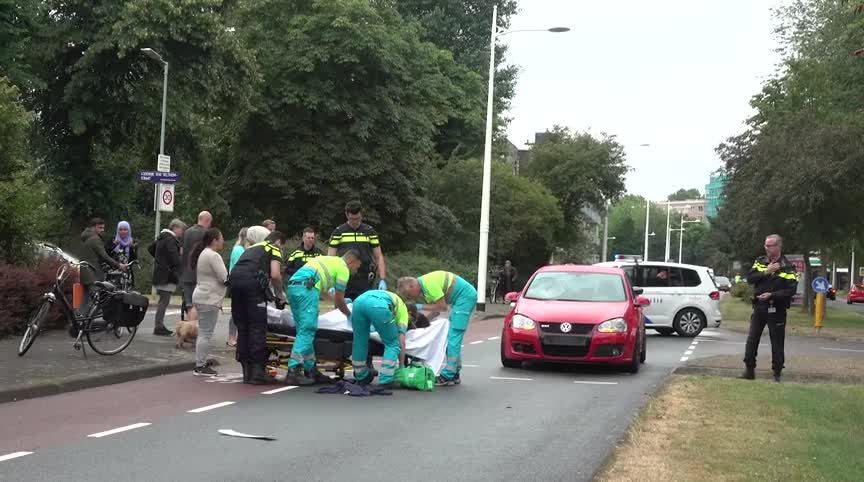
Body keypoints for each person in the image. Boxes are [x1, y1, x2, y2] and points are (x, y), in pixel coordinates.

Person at [284, 250, 362, 385]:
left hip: (293, 287)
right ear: (352, 261)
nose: (356, 270)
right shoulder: (343, 269)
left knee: (303, 331)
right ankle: (293, 370)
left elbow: (325, 293)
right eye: (357, 266)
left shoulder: (329, 260)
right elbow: (339, 300)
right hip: (307, 289)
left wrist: (341, 301)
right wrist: (349, 314)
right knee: (308, 329)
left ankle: (311, 369)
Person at [397, 271, 477, 386]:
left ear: (412, 286)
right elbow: (436, 311)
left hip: (465, 298)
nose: (412, 298)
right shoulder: (425, 286)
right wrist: (424, 324)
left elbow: (442, 307)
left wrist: (419, 307)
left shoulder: (429, 285)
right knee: (452, 336)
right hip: (462, 299)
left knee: (454, 336)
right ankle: (454, 373)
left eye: (409, 295)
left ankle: (448, 374)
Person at [229, 230, 286, 384]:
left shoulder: (251, 248)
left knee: (243, 326)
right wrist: (280, 295)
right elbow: (275, 274)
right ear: (279, 242)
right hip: (252, 285)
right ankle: (257, 373)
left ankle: (246, 371)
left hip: (235, 282)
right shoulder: (273, 248)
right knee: (257, 326)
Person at [741, 234, 798, 382]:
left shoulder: (788, 267)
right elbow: (750, 278)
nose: (766, 248)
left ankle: (777, 373)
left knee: (777, 342)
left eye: (770, 245)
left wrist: (772, 295)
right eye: (765, 245)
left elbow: (790, 290)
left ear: (778, 246)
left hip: (777, 309)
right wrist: (766, 271)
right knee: (752, 339)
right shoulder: (760, 262)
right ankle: (749, 370)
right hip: (759, 308)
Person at [328, 200, 387, 301]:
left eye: (358, 218)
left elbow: (378, 256)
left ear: (361, 215)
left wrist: (382, 279)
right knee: (342, 311)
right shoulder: (338, 232)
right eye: (352, 219)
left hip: (364, 278)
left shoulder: (370, 231)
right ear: (346, 215)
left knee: (364, 310)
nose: (355, 222)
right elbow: (330, 258)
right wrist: (331, 282)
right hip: (344, 277)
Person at [350, 290, 410, 388]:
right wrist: (402, 366)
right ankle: (386, 379)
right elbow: (401, 341)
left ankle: (361, 375)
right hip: (378, 306)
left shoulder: (389, 296)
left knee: (360, 340)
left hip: (358, 302)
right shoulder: (403, 311)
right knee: (392, 343)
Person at [191, 228, 228, 377]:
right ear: (214, 240)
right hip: (209, 298)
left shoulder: (203, 253)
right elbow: (224, 277)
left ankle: (200, 363)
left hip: (201, 295)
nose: (223, 241)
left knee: (204, 332)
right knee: (205, 333)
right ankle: (200, 365)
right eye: (221, 238)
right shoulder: (213, 256)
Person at [79, 218, 126, 317]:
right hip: (92, 274)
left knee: (84, 300)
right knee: (97, 300)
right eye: (100, 228)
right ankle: (86, 324)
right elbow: (104, 256)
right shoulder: (95, 239)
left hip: (84, 273)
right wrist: (119, 265)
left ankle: (79, 322)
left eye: (103, 228)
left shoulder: (87, 237)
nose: (102, 230)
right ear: (93, 228)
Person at [150, 219, 186, 336]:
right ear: (175, 228)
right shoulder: (170, 239)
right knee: (164, 301)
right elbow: (175, 259)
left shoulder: (162, 237)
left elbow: (151, 248)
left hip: (161, 273)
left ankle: (159, 325)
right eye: (181, 229)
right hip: (167, 275)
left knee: (163, 301)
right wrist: (180, 255)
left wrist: (160, 259)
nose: (182, 232)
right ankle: (158, 326)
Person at [181, 211, 213, 322]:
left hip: (185, 273)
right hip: (199, 274)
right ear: (207, 220)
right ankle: (193, 330)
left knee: (189, 304)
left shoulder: (186, 232)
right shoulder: (206, 234)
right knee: (197, 305)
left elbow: (181, 251)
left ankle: (187, 329)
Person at [226, 227, 251, 347]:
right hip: (238, 284)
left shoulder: (242, 249)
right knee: (236, 312)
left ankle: (240, 337)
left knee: (243, 311)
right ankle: (231, 337)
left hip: (242, 284)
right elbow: (238, 268)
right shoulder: (238, 250)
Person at [106, 220, 138, 289]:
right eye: (120, 229)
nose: (122, 232)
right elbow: (106, 254)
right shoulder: (113, 240)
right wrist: (114, 245)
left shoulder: (132, 241)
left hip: (126, 271)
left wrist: (132, 248)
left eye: (125, 229)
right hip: (114, 271)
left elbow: (134, 258)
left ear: (128, 230)